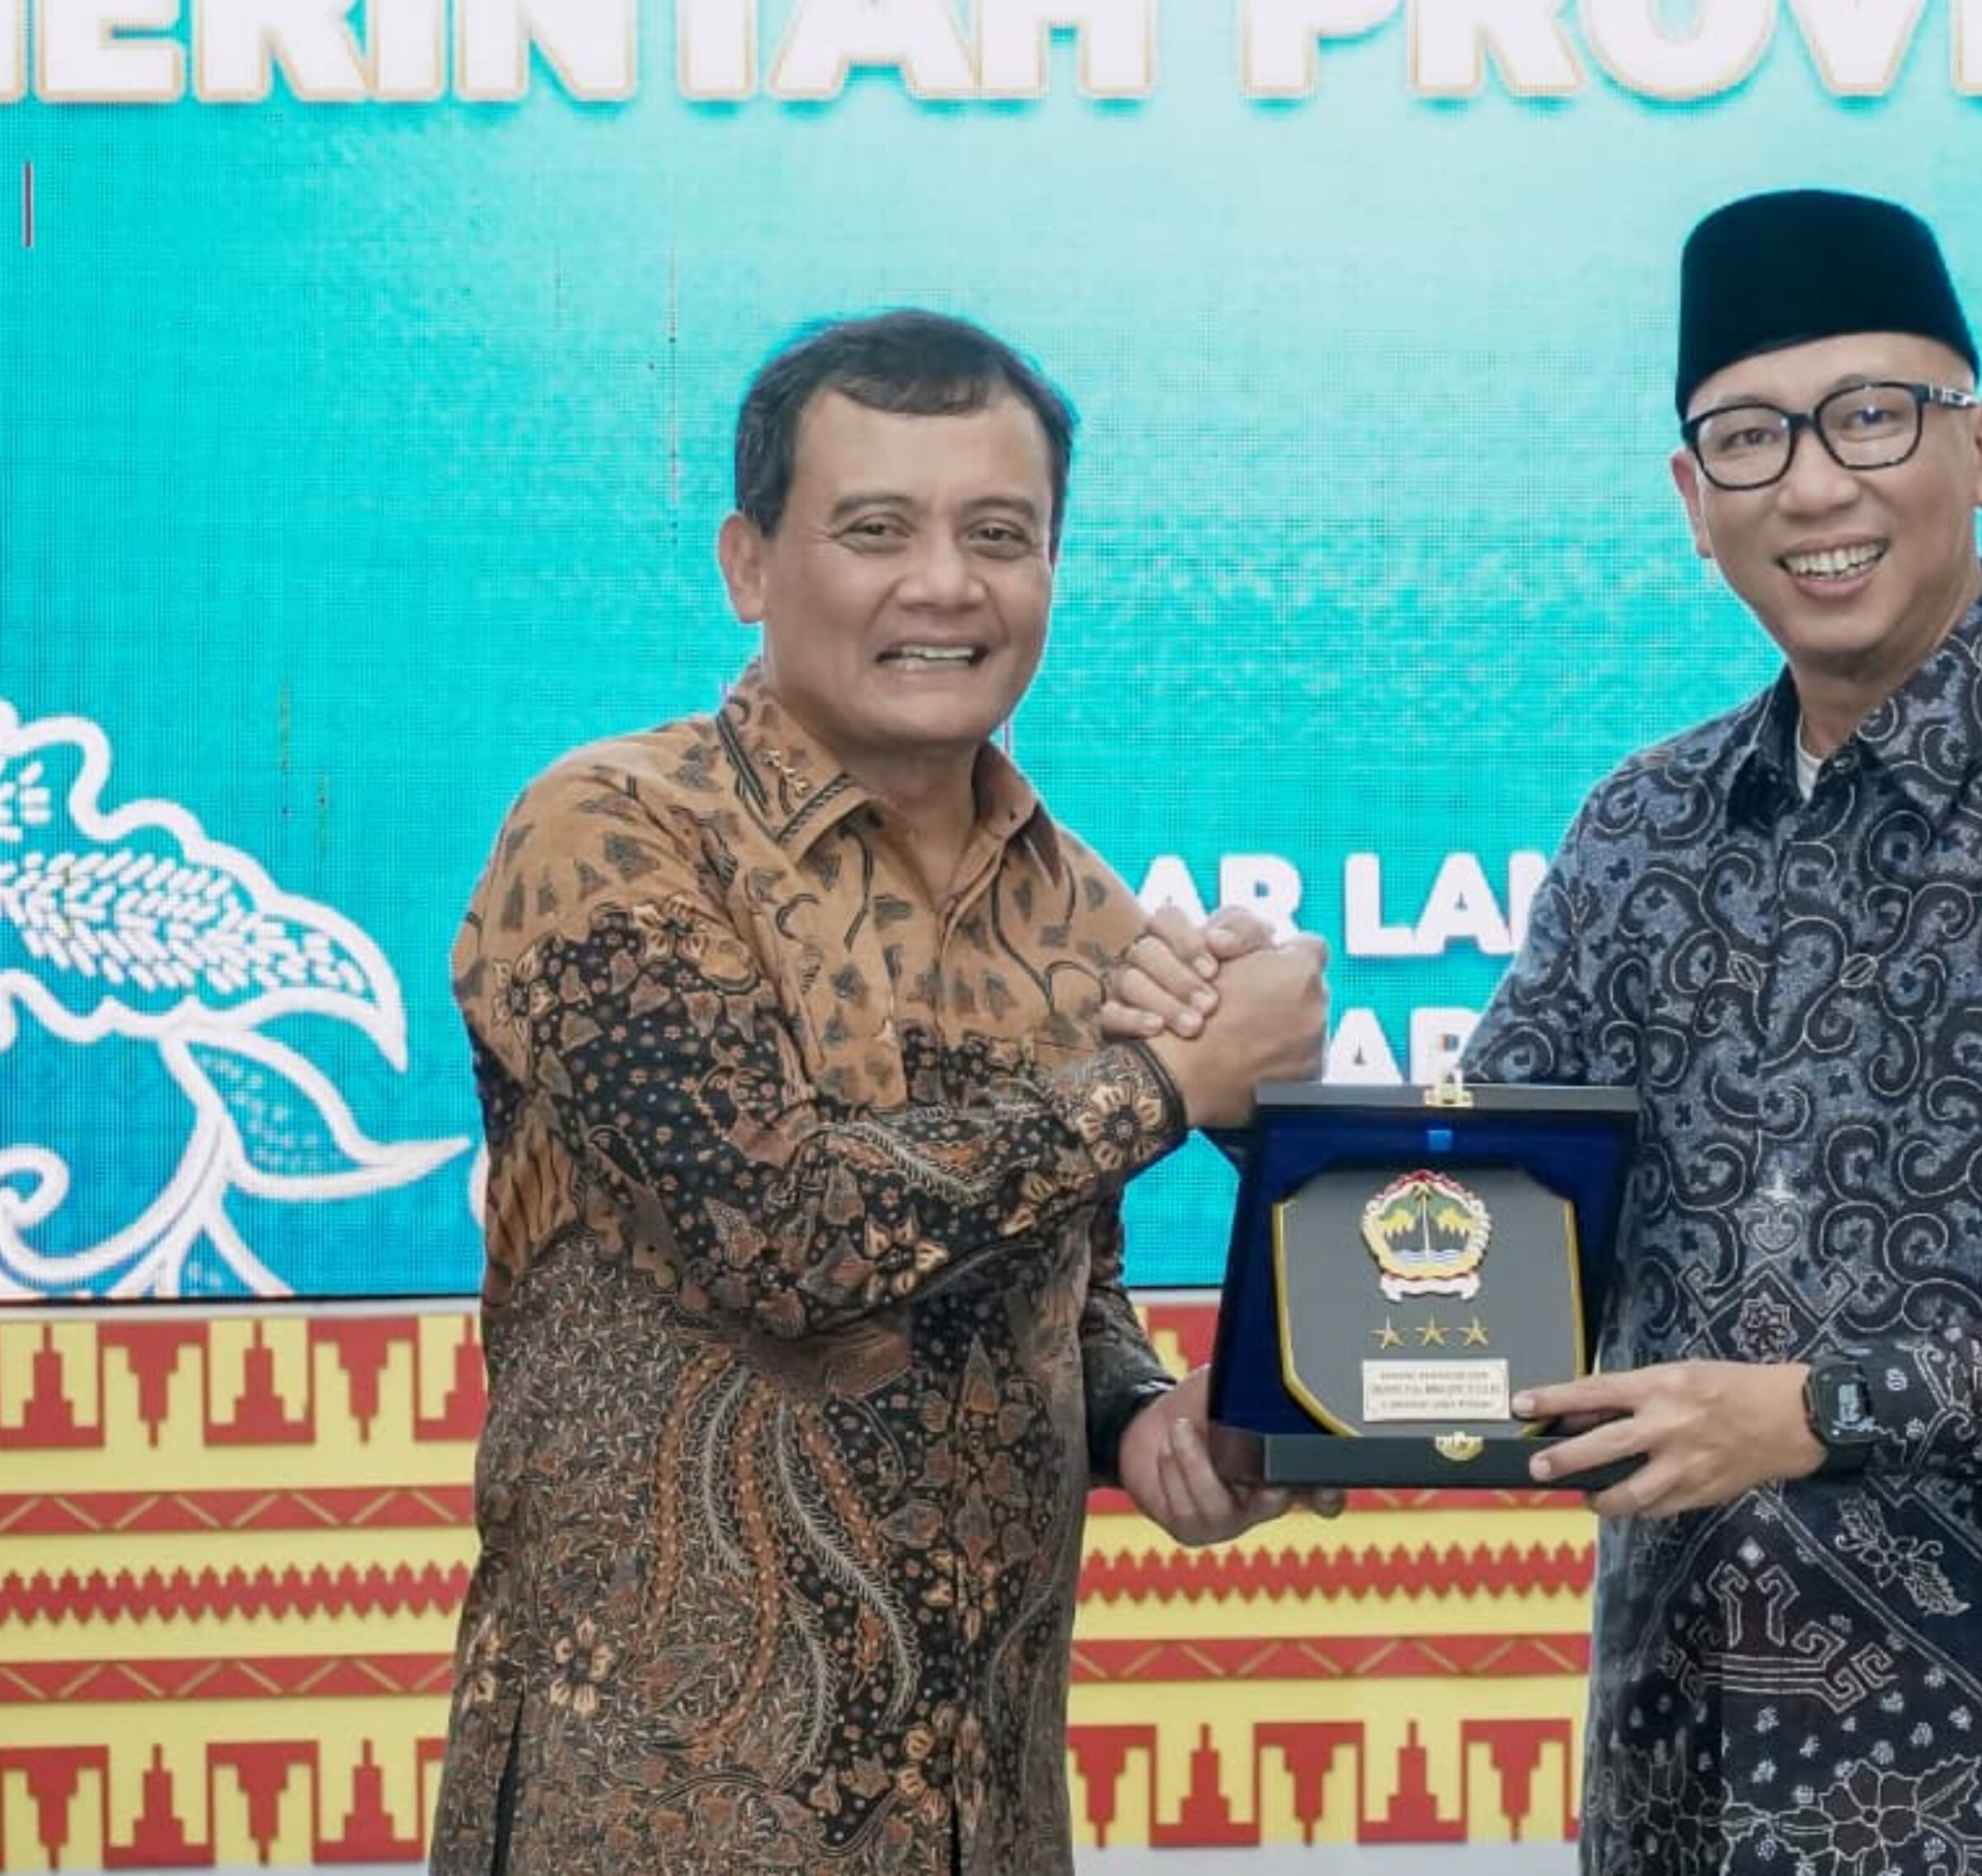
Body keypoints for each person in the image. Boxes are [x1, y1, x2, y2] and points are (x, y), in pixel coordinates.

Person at [1122, 190, 1982, 1874]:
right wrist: (1258, 1117)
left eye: (1870, 416)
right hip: (1683, 1784)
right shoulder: (1644, 829)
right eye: (1749, 438)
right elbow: (1492, 1214)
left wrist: (1811, 1408)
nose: (1812, 486)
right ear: (1693, 499)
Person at [428, 309, 1332, 1876]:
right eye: (874, 530)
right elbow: (779, 1235)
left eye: (1000, 534)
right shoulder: (612, 833)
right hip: (651, 1820)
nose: (944, 584)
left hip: (990, 1819)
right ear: (749, 564)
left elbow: (1063, 1287)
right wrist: (1174, 1083)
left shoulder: (1079, 910)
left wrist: (1150, 1421)